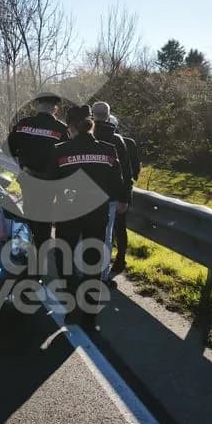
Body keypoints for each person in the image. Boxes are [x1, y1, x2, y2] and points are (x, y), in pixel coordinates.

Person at [47, 106, 128, 327]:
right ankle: (90, 316)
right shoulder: (109, 150)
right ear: (90, 126)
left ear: (71, 128)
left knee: (64, 259)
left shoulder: (60, 150)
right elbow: (117, 186)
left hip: (68, 214)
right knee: (93, 262)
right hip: (97, 214)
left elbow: (51, 186)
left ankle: (71, 306)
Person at [6, 91, 69, 247]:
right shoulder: (61, 129)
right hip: (50, 181)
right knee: (46, 214)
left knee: (29, 211)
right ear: (55, 109)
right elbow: (66, 157)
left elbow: (9, 148)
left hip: (28, 177)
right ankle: (43, 248)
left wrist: (21, 163)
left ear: (36, 106)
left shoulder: (23, 124)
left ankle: (29, 246)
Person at [91, 102, 133, 281]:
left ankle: (82, 271)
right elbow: (126, 172)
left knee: (83, 234)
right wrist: (125, 198)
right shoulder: (117, 141)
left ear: (92, 115)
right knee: (106, 237)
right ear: (109, 116)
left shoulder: (84, 136)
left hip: (86, 196)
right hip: (110, 198)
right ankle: (103, 274)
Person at [108, 115, 142, 275]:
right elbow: (135, 170)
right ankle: (120, 259)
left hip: (109, 192)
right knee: (120, 228)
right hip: (124, 192)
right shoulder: (129, 142)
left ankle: (114, 258)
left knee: (111, 228)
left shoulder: (110, 141)